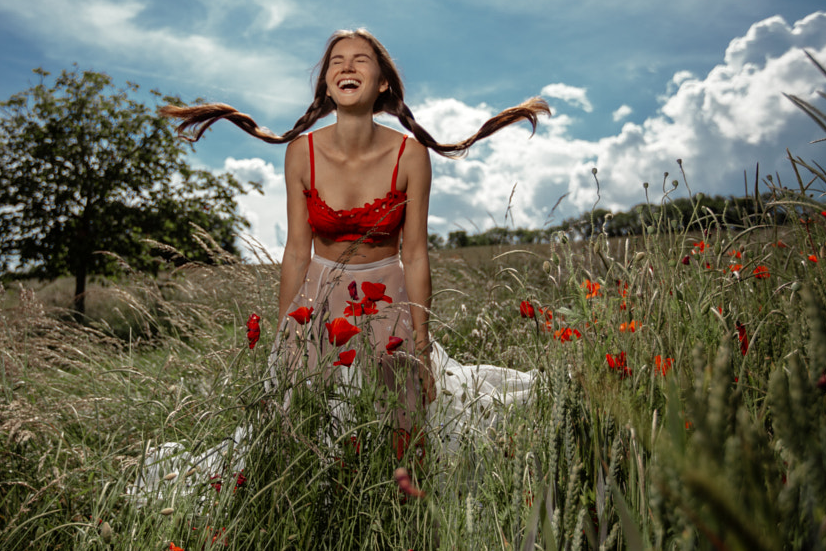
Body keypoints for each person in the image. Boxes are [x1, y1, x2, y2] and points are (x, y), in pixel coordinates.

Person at [159, 29, 548, 455]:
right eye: (336, 61)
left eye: (361, 59)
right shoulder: (300, 153)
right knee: (301, 434)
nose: (346, 66)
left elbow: (415, 256)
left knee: (400, 435)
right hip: (318, 305)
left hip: (388, 305)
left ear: (382, 83)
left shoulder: (410, 155)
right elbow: (295, 252)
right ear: (326, 84)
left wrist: (421, 345)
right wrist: (282, 340)